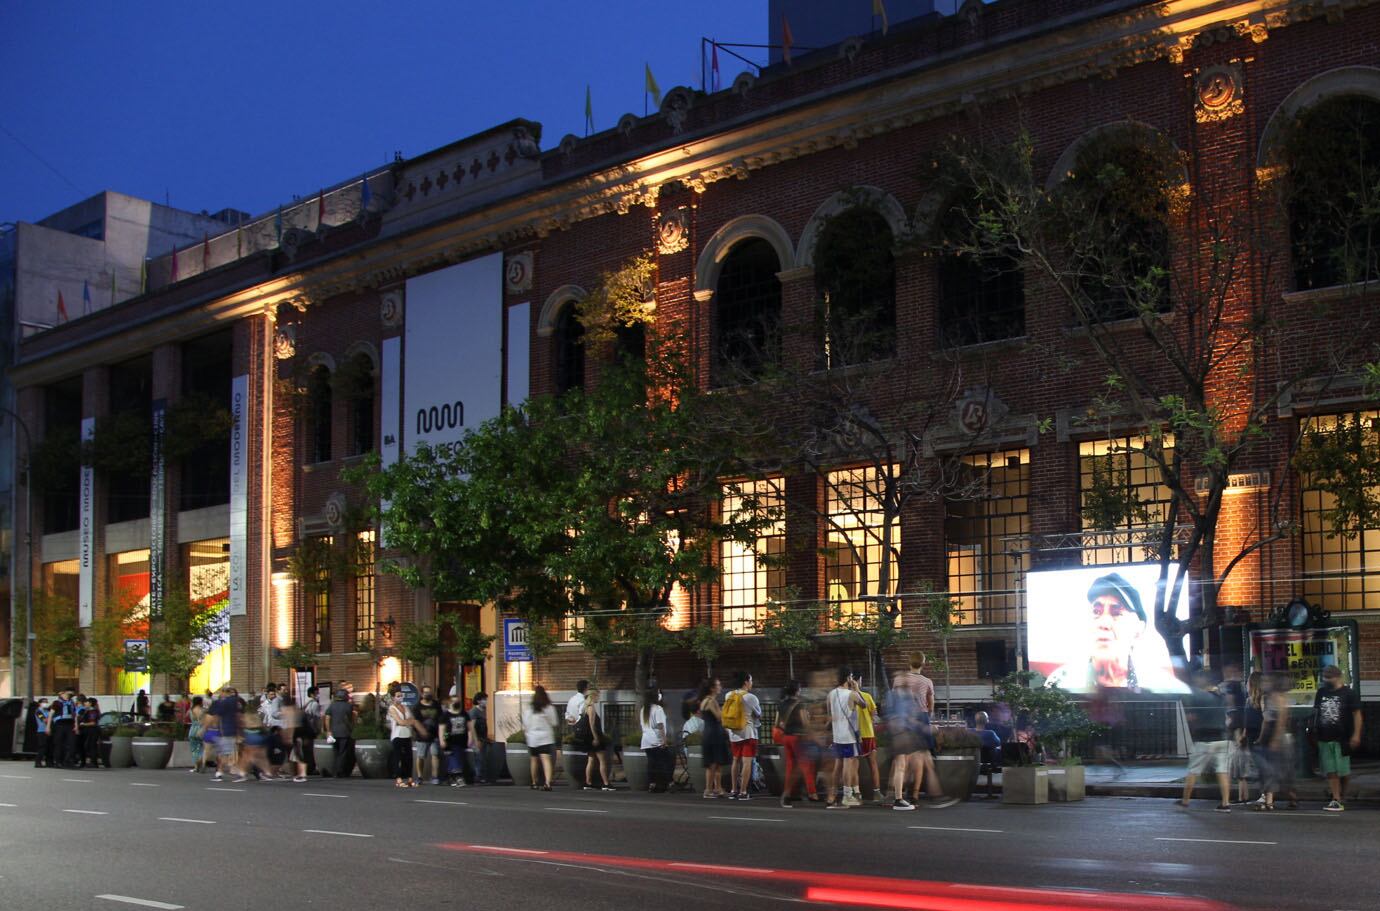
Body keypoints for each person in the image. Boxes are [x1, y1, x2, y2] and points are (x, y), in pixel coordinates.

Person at [1047, 572, 1184, 692]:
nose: (1104, 623)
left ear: (1138, 629)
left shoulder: (1162, 686)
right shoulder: (1060, 682)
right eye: (1096, 612)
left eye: (1116, 613)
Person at [1179, 671, 1231, 812]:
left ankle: (1185, 801)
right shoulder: (1221, 696)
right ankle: (1225, 803)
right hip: (1222, 738)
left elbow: (1191, 716)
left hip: (1205, 739)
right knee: (1222, 771)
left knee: (1193, 770)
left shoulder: (1199, 696)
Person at [1313, 664, 1363, 812]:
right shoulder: (1321, 692)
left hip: (1343, 737)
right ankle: (1336, 798)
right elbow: (1316, 712)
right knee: (1331, 770)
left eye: (1329, 677)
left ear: (1338, 677)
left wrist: (1356, 734)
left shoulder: (1349, 693)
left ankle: (1341, 794)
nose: (1326, 680)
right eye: (1325, 677)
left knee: (1343, 771)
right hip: (1324, 736)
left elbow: (1357, 715)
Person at [1254, 672, 1296, 811]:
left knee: (1283, 770)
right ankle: (1269, 800)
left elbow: (1282, 719)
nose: (1263, 684)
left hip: (1280, 737)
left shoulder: (1279, 697)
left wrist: (1276, 739)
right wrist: (1260, 738)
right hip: (1268, 735)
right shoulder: (1265, 698)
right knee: (1268, 769)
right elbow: (1265, 720)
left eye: (1266, 681)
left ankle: (1291, 796)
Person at [827, 667, 865, 808]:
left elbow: (829, 713)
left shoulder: (830, 694)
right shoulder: (851, 694)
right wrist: (856, 689)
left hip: (837, 735)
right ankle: (847, 795)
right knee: (848, 765)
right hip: (849, 735)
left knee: (837, 766)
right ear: (849, 678)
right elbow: (864, 704)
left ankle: (832, 795)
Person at [776, 681, 817, 807]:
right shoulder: (800, 705)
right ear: (797, 690)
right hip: (798, 737)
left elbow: (778, 723)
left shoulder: (781, 705)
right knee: (806, 765)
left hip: (786, 737)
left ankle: (788, 793)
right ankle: (812, 793)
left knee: (790, 766)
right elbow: (805, 723)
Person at [725, 671, 761, 801]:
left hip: (733, 733)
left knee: (735, 760)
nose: (752, 683)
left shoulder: (728, 695)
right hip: (748, 733)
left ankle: (734, 790)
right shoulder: (751, 697)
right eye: (751, 681)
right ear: (746, 682)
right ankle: (743, 791)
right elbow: (758, 715)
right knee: (747, 762)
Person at [697, 678, 730, 798]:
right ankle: (709, 790)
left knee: (715, 763)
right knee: (713, 763)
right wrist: (724, 710)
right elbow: (719, 717)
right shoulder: (711, 701)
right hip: (714, 734)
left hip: (708, 733)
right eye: (718, 685)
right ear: (712, 688)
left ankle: (718, 788)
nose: (720, 687)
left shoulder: (704, 701)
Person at [523, 685, 560, 790]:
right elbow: (554, 722)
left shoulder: (530, 708)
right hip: (545, 737)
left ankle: (534, 782)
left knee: (534, 760)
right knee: (546, 759)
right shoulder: (549, 707)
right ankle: (547, 783)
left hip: (532, 738)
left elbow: (526, 723)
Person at [581, 687, 614, 792]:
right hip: (594, 737)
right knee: (602, 760)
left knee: (591, 760)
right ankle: (606, 783)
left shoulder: (586, 707)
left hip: (588, 737)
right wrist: (596, 737)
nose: (598, 698)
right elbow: (592, 725)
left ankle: (588, 782)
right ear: (593, 696)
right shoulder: (591, 708)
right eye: (598, 695)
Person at [639, 688, 672, 793]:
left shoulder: (644, 709)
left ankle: (652, 783)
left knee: (651, 762)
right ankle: (665, 783)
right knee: (663, 763)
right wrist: (664, 740)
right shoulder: (658, 709)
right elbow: (660, 725)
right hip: (656, 739)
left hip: (646, 740)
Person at [855, 681, 882, 804]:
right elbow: (874, 715)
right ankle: (876, 793)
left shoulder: (846, 697)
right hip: (868, 734)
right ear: (859, 681)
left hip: (854, 735)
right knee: (873, 764)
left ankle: (857, 793)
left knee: (853, 766)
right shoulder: (866, 696)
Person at [209, 686, 243, 781]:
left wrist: (212, 726)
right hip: (232, 730)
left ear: (224, 692)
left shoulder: (223, 702)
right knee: (227, 753)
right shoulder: (237, 702)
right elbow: (239, 716)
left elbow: (216, 716)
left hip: (225, 730)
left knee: (225, 753)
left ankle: (233, 773)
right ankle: (221, 772)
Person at [413, 688, 444, 785]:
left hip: (434, 735)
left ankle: (435, 776)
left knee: (435, 755)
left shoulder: (436, 705)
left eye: (429, 692)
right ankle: (419, 776)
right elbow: (415, 721)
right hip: (422, 736)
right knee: (421, 756)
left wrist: (442, 734)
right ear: (422, 694)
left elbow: (441, 719)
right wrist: (421, 731)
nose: (427, 694)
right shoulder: (417, 706)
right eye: (425, 692)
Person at [324, 689, 357, 779]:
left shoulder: (332, 706)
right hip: (345, 732)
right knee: (343, 753)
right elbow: (353, 718)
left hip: (334, 733)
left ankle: (335, 771)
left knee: (336, 752)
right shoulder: (349, 706)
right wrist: (352, 728)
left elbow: (327, 718)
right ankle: (340, 771)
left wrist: (328, 730)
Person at [970, 711, 1003, 798]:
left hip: (971, 761)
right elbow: (998, 743)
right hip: (988, 762)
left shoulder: (969, 732)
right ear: (986, 721)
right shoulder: (990, 734)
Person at [386, 693, 416, 788]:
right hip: (397, 735)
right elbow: (400, 721)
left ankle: (410, 779)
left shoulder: (405, 707)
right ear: (393, 697)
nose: (400, 697)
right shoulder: (392, 708)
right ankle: (399, 779)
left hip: (407, 734)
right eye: (398, 696)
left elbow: (412, 719)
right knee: (397, 757)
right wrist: (407, 722)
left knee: (408, 757)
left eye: (401, 696)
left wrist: (407, 722)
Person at [278, 696, 309, 782]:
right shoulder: (298, 710)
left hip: (297, 734)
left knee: (298, 755)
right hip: (302, 734)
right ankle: (296, 774)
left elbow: (291, 725)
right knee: (297, 755)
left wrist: (289, 737)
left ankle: (302, 774)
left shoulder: (289, 710)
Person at [441, 696, 470, 787]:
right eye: (453, 701)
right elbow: (443, 729)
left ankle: (450, 777)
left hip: (462, 739)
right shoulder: (446, 715)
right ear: (450, 703)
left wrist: (471, 738)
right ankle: (458, 777)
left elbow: (469, 727)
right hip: (450, 739)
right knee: (454, 757)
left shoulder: (464, 713)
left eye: (457, 701)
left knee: (458, 758)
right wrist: (443, 739)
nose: (456, 703)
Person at [49, 690, 79, 769]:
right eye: (65, 694)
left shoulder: (71, 703)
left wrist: (76, 725)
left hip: (70, 724)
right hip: (59, 724)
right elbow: (51, 714)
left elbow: (74, 714)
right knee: (59, 744)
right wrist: (48, 726)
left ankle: (69, 761)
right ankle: (58, 762)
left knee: (71, 743)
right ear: (61, 694)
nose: (67, 696)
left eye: (68, 694)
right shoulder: (56, 703)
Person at [468, 691, 490, 783]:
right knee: (478, 757)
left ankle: (481, 776)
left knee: (483, 757)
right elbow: (471, 726)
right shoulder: (474, 711)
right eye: (484, 699)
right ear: (478, 701)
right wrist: (475, 740)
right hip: (477, 737)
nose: (485, 701)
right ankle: (478, 776)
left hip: (483, 737)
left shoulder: (483, 710)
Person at [78, 698, 102, 768]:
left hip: (92, 731)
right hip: (86, 731)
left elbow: (93, 723)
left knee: (91, 746)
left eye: (86, 702)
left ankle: (94, 762)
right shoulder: (85, 711)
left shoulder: (93, 712)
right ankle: (85, 762)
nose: (85, 703)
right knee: (85, 746)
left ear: (90, 703)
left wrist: (83, 724)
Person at [187, 696, 207, 774]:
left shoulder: (191, 710)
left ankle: (196, 767)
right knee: (202, 747)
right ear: (200, 702)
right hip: (201, 729)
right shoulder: (202, 710)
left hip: (192, 729)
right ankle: (201, 762)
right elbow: (203, 721)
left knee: (194, 749)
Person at [30, 699, 50, 769]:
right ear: (39, 703)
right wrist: (50, 718)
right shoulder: (38, 711)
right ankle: (38, 762)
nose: (46, 703)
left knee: (48, 747)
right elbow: (44, 720)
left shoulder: (47, 711)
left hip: (48, 731)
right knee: (42, 747)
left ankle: (48, 762)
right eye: (44, 702)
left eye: (46, 702)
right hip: (41, 731)